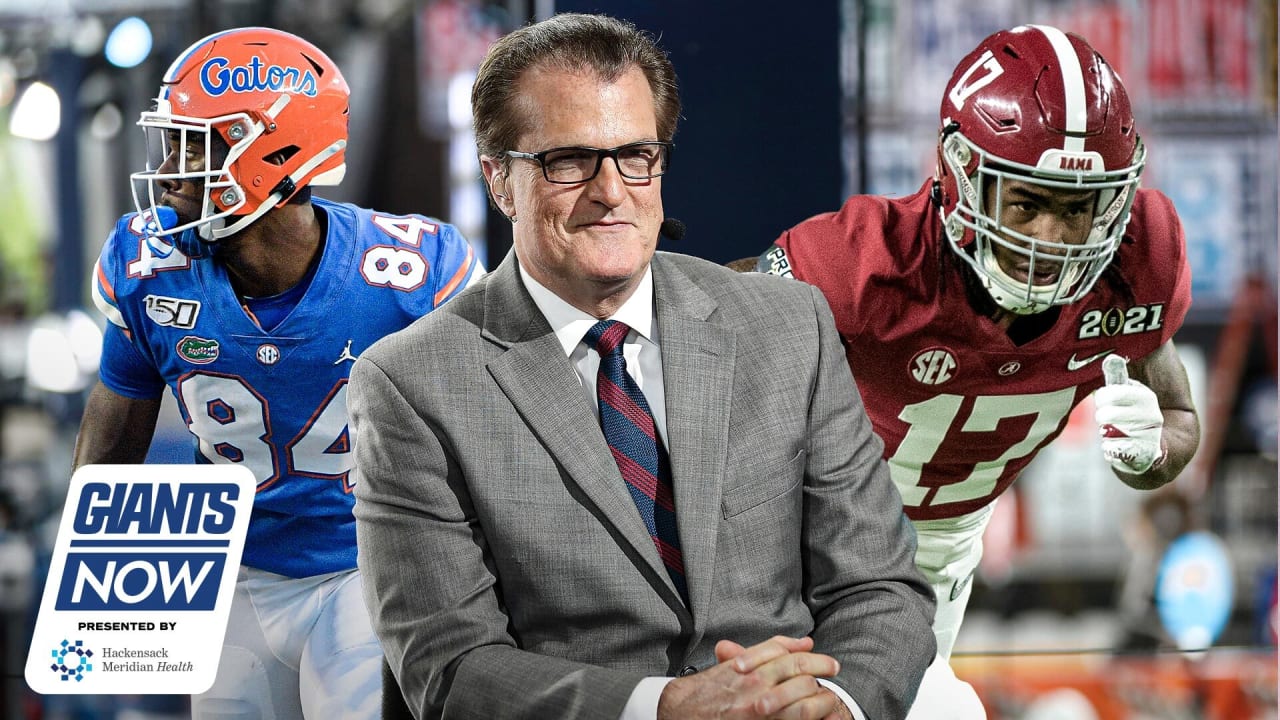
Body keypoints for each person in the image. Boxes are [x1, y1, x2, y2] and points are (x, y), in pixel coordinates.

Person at [349, 12, 935, 720]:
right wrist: (661, 708)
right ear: (500, 180)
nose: (612, 191)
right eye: (568, 161)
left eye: (636, 155)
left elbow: (881, 588)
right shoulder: (411, 383)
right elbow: (450, 668)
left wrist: (839, 703)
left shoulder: (790, 327)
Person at [736, 24, 1201, 719]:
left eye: (1078, 209)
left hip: (938, 565)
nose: (1051, 240)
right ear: (961, 176)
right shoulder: (873, 265)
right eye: (1027, 203)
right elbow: (703, 322)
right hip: (810, 541)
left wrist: (1152, 454)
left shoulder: (1137, 266)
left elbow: (1178, 418)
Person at [75, 27, 483, 720]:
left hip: (367, 567)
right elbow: (112, 444)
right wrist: (96, 570)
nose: (170, 167)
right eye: (172, 141)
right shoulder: (145, 269)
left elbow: (485, 439)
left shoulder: (408, 275)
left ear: (276, 152)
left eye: (195, 144)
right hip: (233, 571)